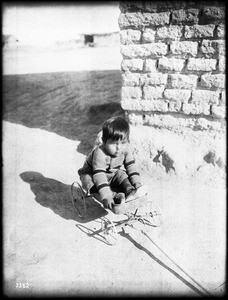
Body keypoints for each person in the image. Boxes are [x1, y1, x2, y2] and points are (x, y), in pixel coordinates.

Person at [78, 116, 147, 210]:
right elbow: (99, 175)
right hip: (92, 173)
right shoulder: (100, 153)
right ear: (104, 141)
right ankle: (115, 197)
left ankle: (130, 191)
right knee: (92, 184)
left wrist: (137, 182)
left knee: (121, 174)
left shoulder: (125, 149)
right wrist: (106, 196)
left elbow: (131, 166)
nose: (119, 148)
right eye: (114, 143)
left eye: (123, 142)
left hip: (111, 174)